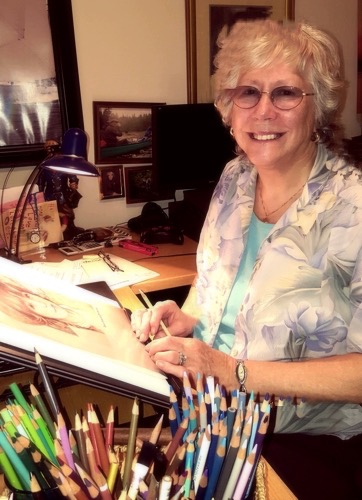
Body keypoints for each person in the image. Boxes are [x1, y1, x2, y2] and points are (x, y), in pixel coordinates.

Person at [130, 19, 362, 499]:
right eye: (247, 93)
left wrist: (231, 371)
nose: (264, 112)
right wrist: (186, 316)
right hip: (207, 413)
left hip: (301, 439)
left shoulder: (354, 210)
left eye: (286, 94)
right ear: (227, 109)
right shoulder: (235, 177)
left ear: (317, 108)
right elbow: (211, 280)